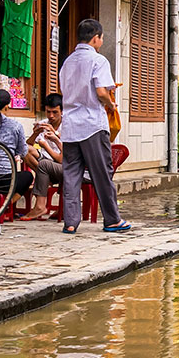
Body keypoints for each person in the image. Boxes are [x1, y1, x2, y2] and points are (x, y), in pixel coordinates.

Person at [58, 19, 130, 234]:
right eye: (101, 37)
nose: (102, 40)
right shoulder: (98, 60)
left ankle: (70, 222)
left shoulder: (67, 61)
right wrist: (111, 103)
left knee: (71, 174)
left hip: (70, 124)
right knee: (102, 172)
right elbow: (101, 92)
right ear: (96, 37)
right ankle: (112, 219)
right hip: (92, 123)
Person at [20, 93, 64, 221]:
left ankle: (40, 202)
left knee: (44, 165)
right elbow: (26, 146)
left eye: (55, 112)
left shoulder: (68, 124)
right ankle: (45, 178)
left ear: (62, 111)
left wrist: (55, 135)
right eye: (48, 112)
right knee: (26, 150)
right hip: (46, 161)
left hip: (61, 163)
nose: (51, 116)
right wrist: (35, 134)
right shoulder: (44, 123)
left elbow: (62, 158)